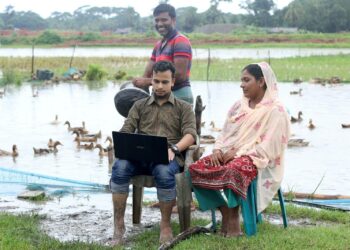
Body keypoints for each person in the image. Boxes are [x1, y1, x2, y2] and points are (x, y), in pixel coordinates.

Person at [189, 62, 291, 237]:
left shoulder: (276, 110)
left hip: (258, 158)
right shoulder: (239, 106)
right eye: (241, 80)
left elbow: (268, 147)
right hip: (229, 152)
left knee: (234, 169)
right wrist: (218, 150)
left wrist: (237, 154)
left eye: (246, 80)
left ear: (261, 81)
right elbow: (225, 134)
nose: (241, 84)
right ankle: (226, 212)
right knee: (194, 170)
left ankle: (234, 220)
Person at [110, 61, 197, 245]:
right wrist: (123, 142)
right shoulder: (139, 106)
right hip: (140, 158)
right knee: (119, 166)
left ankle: (165, 224)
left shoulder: (183, 107)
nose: (159, 86)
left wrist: (174, 149)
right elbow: (127, 128)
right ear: (151, 81)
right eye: (156, 81)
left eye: (164, 82)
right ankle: (118, 223)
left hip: (168, 158)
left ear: (173, 82)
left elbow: (190, 135)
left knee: (164, 172)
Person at [132, 3, 194, 104]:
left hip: (179, 97)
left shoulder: (180, 41)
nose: (160, 24)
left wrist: (148, 82)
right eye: (157, 20)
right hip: (162, 98)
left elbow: (179, 76)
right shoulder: (159, 45)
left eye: (164, 20)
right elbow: (147, 73)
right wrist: (139, 82)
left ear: (173, 20)